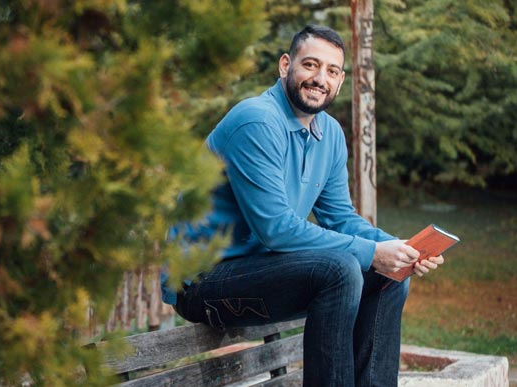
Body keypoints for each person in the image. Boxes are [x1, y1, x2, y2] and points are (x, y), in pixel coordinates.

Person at [161, 24, 444, 386]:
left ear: (340, 81)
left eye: (332, 71)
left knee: (390, 275)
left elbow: (341, 218)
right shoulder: (257, 121)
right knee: (341, 269)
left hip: (260, 270)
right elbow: (276, 229)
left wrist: (402, 249)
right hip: (203, 281)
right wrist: (374, 252)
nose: (320, 79)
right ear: (285, 65)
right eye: (310, 65)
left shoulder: (330, 134)